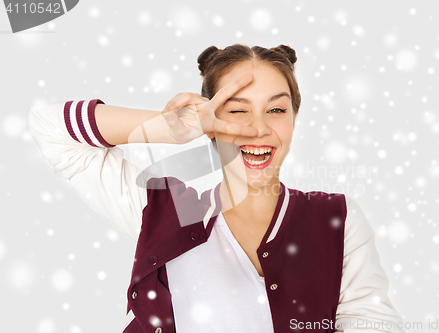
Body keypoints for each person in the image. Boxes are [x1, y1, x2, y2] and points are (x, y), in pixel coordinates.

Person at [27, 43, 405, 333]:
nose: (258, 128)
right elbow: (49, 128)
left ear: (294, 118)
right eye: (236, 111)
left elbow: (371, 321)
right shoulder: (164, 212)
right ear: (209, 122)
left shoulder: (336, 217)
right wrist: (168, 128)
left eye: (276, 110)